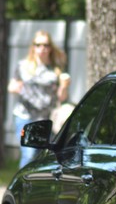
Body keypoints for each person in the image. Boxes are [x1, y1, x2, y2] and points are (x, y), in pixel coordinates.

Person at [8, 30, 70, 168]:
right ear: (33, 47)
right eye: (38, 45)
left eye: (46, 45)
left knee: (42, 157)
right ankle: (22, 186)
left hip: (45, 119)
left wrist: (64, 87)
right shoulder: (23, 66)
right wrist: (17, 88)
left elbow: (61, 97)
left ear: (50, 47)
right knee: (29, 154)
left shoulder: (56, 69)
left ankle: (34, 186)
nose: (42, 49)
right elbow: (12, 85)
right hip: (25, 116)